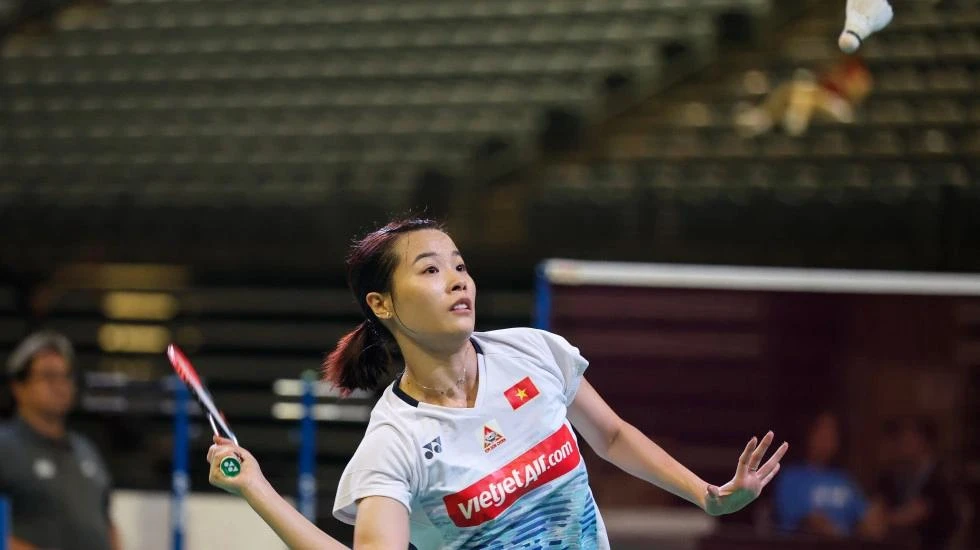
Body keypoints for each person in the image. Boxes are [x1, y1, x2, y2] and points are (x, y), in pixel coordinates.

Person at [206, 217, 789, 549]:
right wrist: (257, 488)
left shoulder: (532, 353)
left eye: (459, 265)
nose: (458, 280)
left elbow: (610, 437)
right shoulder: (397, 441)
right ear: (382, 304)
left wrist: (707, 495)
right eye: (431, 270)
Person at [0, 331, 120, 550]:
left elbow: (106, 520)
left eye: (66, 376)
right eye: (48, 376)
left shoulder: (85, 449)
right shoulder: (5, 446)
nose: (60, 385)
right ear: (19, 387)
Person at [772, 410, 885, 539]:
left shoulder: (844, 480)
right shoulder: (790, 478)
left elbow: (867, 519)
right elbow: (807, 522)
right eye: (822, 431)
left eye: (832, 433)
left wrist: (874, 519)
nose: (827, 439)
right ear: (809, 434)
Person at [874, 416, 960, 550]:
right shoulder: (892, 475)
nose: (902, 445)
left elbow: (912, 514)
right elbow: (878, 506)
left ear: (925, 442)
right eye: (900, 439)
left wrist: (882, 519)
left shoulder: (939, 478)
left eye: (909, 439)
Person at [735, 56, 874, 138]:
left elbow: (858, 95)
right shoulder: (834, 66)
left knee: (805, 90)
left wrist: (839, 80)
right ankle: (786, 117)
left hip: (843, 109)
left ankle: (769, 119)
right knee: (791, 89)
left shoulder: (856, 70)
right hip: (822, 105)